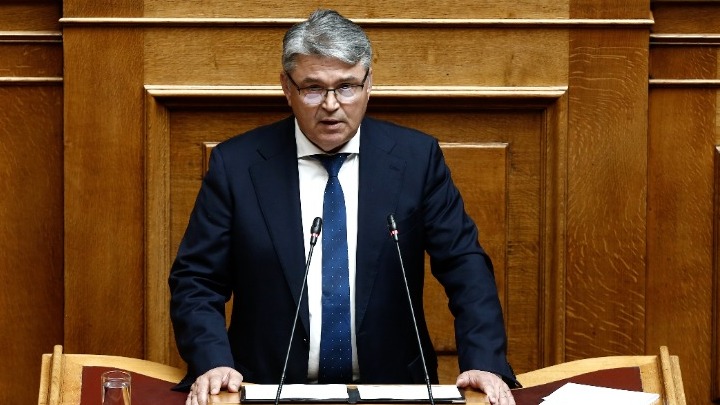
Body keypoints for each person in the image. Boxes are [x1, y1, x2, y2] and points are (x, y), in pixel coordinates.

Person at [169, 9, 519, 405]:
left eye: (347, 86)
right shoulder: (237, 165)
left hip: (392, 390)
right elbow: (197, 279)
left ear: (369, 83)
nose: (331, 105)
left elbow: (464, 266)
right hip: (266, 387)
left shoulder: (415, 159)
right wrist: (213, 362)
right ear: (286, 87)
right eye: (313, 88)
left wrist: (484, 362)